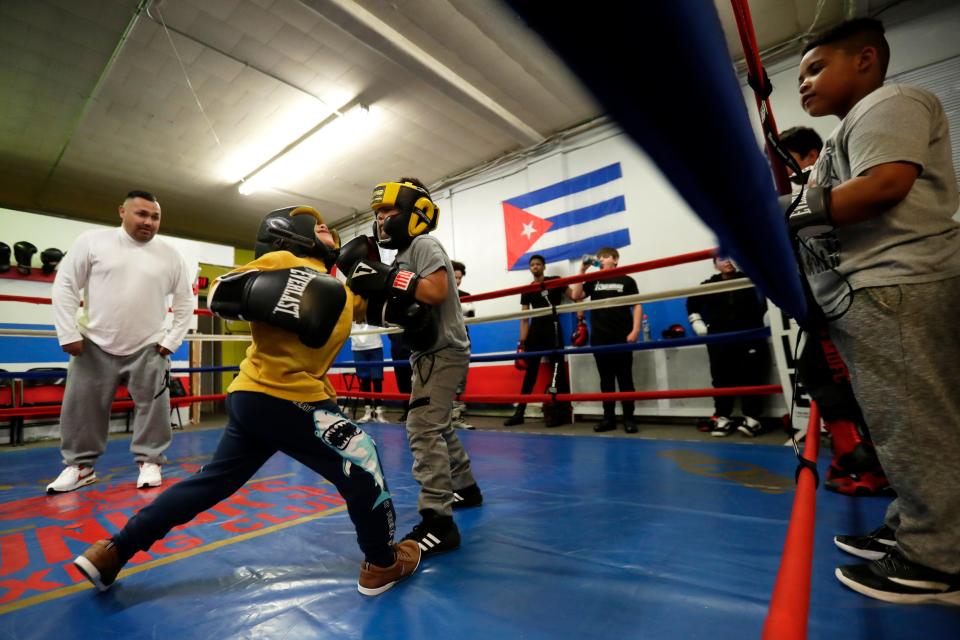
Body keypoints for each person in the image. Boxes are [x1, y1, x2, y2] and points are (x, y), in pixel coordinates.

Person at [72, 206, 421, 597]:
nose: (328, 230)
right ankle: (382, 563)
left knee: (209, 485)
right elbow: (220, 288)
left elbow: (383, 308)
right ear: (293, 235)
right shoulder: (286, 260)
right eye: (319, 227)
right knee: (364, 457)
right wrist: (283, 289)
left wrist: (405, 296)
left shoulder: (336, 287)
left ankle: (113, 551)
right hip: (284, 397)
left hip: (261, 399)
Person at [790, 18, 960, 603]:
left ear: (865, 59)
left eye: (815, 68)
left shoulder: (889, 102)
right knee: (902, 424)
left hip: (899, 283)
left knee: (915, 424)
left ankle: (939, 557)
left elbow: (886, 185)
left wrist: (779, 213)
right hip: (880, 290)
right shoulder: (844, 135)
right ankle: (917, 525)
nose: (803, 84)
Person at [337, 178, 483, 557]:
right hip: (427, 353)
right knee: (438, 424)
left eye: (390, 211)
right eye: (378, 213)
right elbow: (395, 306)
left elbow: (434, 291)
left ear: (415, 212)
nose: (382, 219)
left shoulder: (424, 244)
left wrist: (386, 277)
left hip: (444, 351)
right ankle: (466, 488)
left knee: (421, 428)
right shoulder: (401, 256)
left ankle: (439, 521)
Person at [47, 190, 195, 493]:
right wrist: (68, 333)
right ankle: (80, 467)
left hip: (149, 346)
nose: (149, 222)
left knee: (154, 408)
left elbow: (184, 301)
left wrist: (173, 340)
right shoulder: (92, 241)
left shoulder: (170, 255)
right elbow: (65, 285)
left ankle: (150, 461)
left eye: (155, 217)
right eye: (141, 214)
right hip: (93, 343)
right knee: (82, 407)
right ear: (122, 212)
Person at [780, 126, 889, 495]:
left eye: (785, 160)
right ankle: (856, 457)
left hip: (852, 298)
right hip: (827, 299)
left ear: (810, 155)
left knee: (843, 377)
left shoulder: (829, 182)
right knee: (824, 373)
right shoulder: (803, 193)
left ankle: (866, 461)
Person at [686, 255, 770, 437]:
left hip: (749, 335)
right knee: (721, 378)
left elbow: (769, 296)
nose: (728, 261)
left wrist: (767, 315)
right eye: (722, 259)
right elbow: (692, 303)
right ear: (715, 265)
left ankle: (752, 418)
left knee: (752, 375)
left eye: (731, 257)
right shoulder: (709, 285)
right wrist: (696, 320)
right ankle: (723, 417)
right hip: (720, 337)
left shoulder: (749, 279)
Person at [571, 248, 640, 433]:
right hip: (600, 338)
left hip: (622, 336)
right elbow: (576, 296)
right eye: (599, 257)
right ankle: (608, 419)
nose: (601, 259)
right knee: (606, 381)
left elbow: (637, 304)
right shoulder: (593, 280)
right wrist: (582, 271)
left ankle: (629, 419)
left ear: (615, 260)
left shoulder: (627, 280)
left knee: (625, 380)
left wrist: (635, 330)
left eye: (606, 257)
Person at [503, 254, 573, 427]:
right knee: (530, 373)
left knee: (557, 372)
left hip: (554, 329)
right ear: (530, 268)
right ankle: (520, 412)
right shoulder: (527, 290)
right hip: (536, 332)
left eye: (538, 264)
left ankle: (557, 409)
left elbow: (576, 296)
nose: (535, 267)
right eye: (532, 265)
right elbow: (524, 317)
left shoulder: (555, 281)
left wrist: (580, 319)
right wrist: (521, 343)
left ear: (544, 266)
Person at [450, 260, 475, 430]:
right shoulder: (442, 293)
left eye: (459, 278)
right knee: (447, 380)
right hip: (447, 341)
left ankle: (458, 416)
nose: (457, 281)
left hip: (463, 340)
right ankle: (448, 416)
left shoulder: (465, 294)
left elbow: (471, 315)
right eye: (455, 277)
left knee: (461, 381)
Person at [350, 322, 388, 424]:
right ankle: (368, 412)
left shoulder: (371, 307)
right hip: (358, 348)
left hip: (375, 346)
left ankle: (379, 413)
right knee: (365, 380)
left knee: (377, 379)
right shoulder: (351, 308)